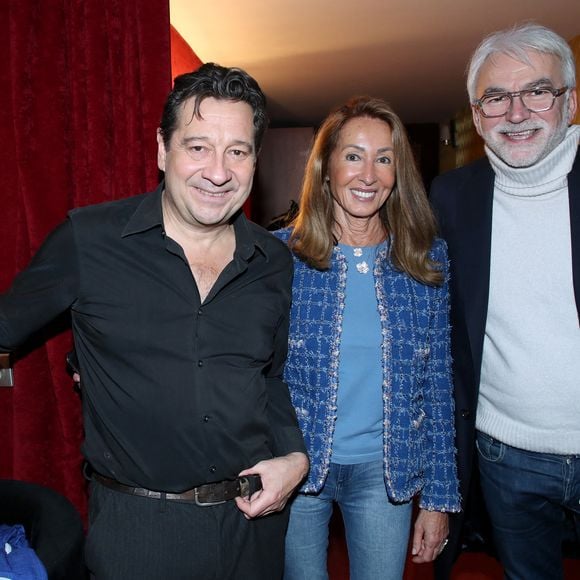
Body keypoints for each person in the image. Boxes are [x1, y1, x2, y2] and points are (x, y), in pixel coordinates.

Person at [0, 63, 309, 580]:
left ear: (256, 161)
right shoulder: (89, 241)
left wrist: (295, 459)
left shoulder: (273, 263)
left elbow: (269, 379)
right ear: (163, 151)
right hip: (138, 534)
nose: (218, 171)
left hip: (252, 529)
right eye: (198, 147)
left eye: (238, 150)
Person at [274, 96, 460, 580]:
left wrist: (438, 498)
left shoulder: (425, 261)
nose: (369, 174)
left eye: (385, 158)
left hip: (384, 474)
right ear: (326, 166)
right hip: (296, 471)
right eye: (354, 155)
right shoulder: (279, 259)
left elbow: (438, 383)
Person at [430, 23, 579, 580]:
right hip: (503, 456)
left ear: (569, 101)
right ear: (476, 112)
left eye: (537, 90)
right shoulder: (451, 197)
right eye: (496, 97)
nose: (516, 113)